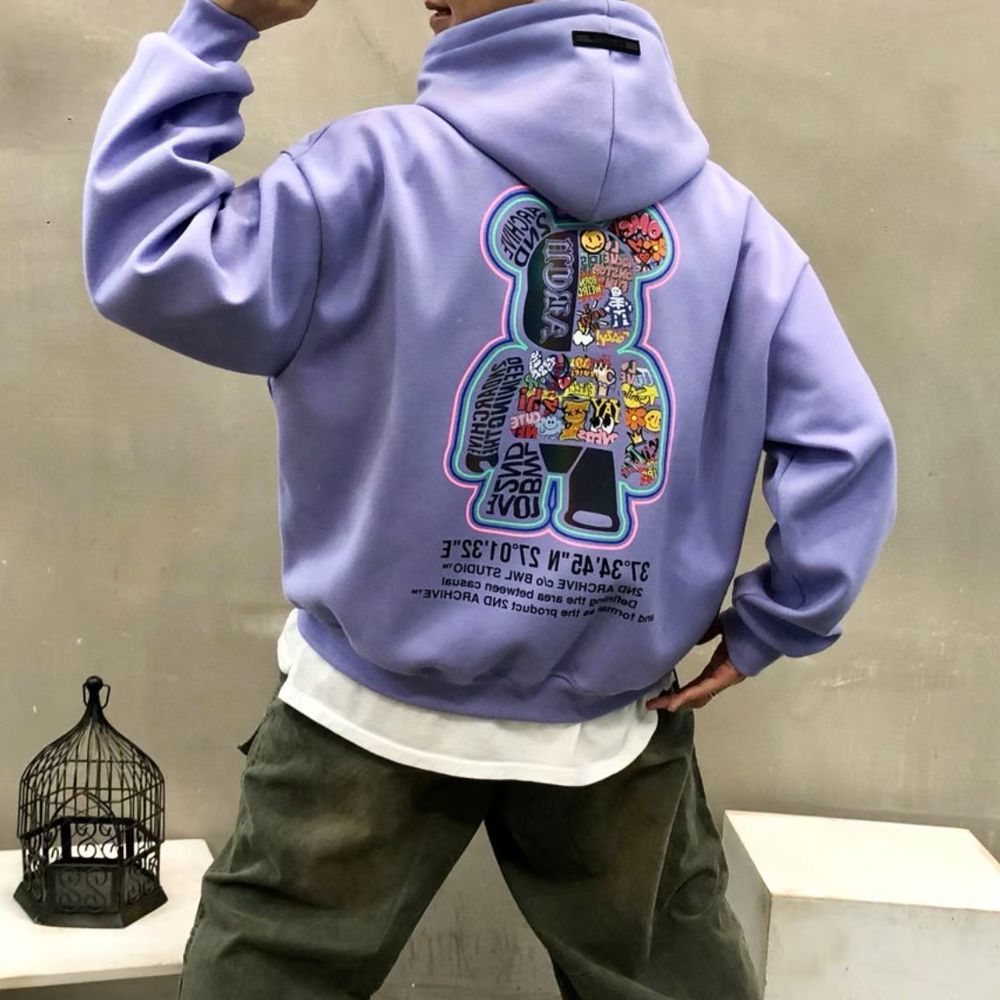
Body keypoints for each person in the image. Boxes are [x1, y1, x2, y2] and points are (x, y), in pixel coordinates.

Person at [81, 0, 897, 997]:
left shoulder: (364, 175)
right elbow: (844, 448)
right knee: (664, 974)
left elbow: (151, 256)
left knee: (271, 973)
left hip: (367, 708)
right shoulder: (738, 235)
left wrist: (220, 23)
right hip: (607, 717)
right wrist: (777, 622)